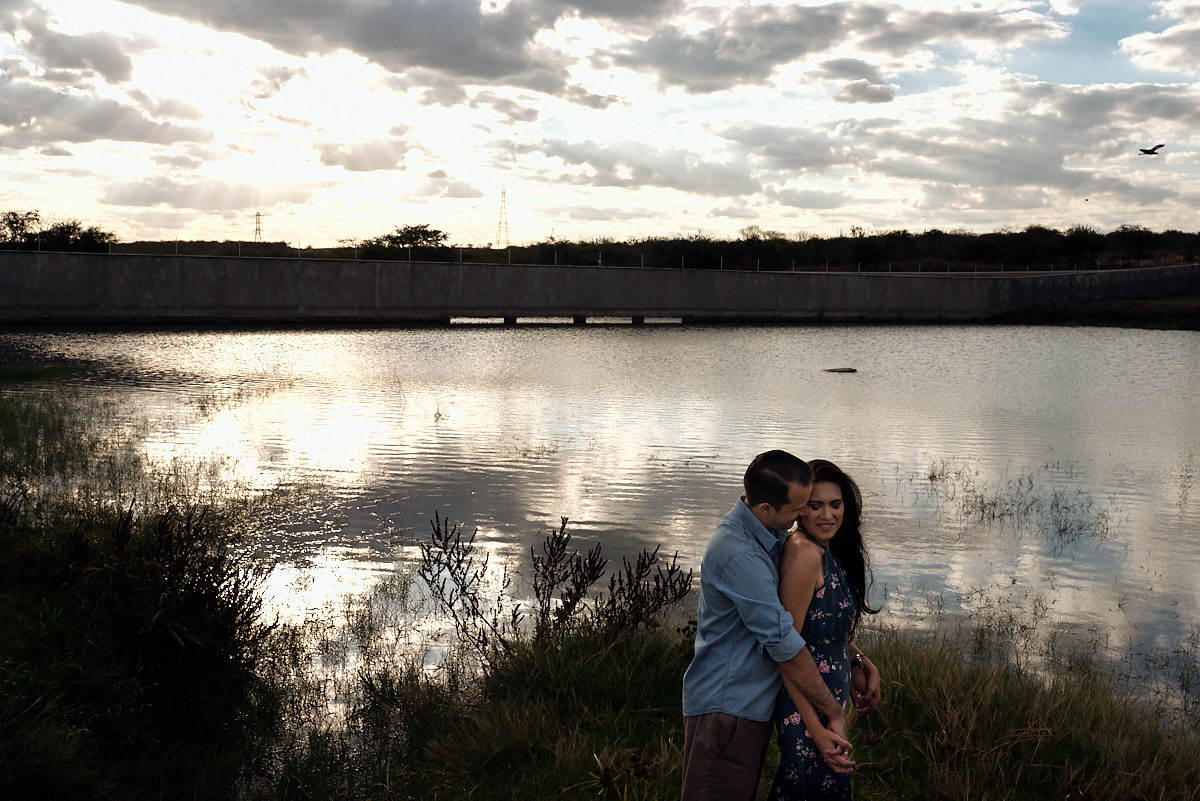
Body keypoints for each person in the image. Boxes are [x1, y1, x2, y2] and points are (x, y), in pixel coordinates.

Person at [682, 451, 854, 801]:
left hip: (747, 704)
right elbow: (783, 641)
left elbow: (805, 626)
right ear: (764, 508)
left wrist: (857, 657)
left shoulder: (766, 531)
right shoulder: (739, 554)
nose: (802, 517)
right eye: (797, 509)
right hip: (728, 708)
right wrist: (832, 713)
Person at [769, 459, 881, 800]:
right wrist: (817, 728)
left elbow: (824, 630)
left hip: (827, 704)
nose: (827, 515)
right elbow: (787, 651)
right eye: (815, 506)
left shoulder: (826, 551)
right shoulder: (804, 554)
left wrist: (861, 661)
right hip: (806, 708)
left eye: (835, 504)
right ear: (801, 510)